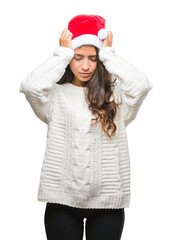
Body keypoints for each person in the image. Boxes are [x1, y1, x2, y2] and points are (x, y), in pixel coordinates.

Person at [19, 14, 153, 240]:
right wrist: (61, 54)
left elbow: (142, 86)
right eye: (78, 57)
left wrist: (109, 55)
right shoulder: (54, 96)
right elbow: (30, 87)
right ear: (69, 57)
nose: (85, 65)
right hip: (62, 201)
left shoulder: (116, 97)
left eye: (93, 58)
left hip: (107, 202)